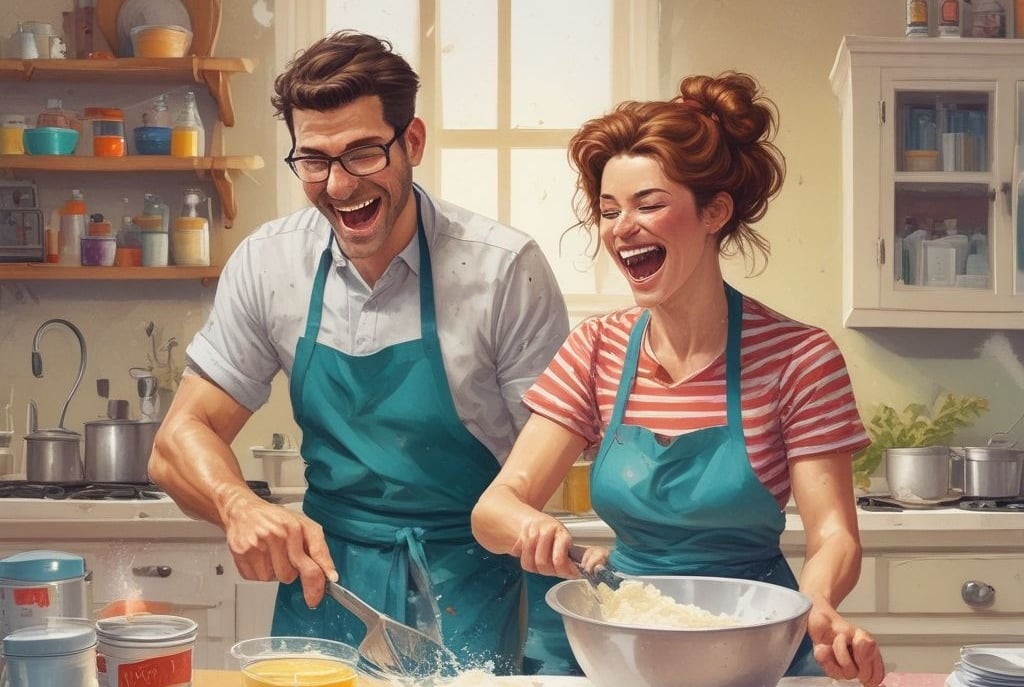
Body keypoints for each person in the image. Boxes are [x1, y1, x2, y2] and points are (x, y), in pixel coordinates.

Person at [147, 31, 572, 675]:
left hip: (468, 588)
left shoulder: (505, 270)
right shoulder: (269, 263)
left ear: (414, 143)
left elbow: (546, 476)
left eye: (364, 153)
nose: (340, 186)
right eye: (313, 159)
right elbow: (179, 438)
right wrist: (238, 504)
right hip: (326, 587)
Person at [471, 72, 886, 687]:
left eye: (649, 204)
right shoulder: (596, 347)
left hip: (754, 642)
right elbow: (494, 507)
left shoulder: (799, 357)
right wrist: (528, 526)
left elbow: (834, 536)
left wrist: (818, 601)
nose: (620, 227)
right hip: (619, 632)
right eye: (609, 210)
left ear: (714, 211)